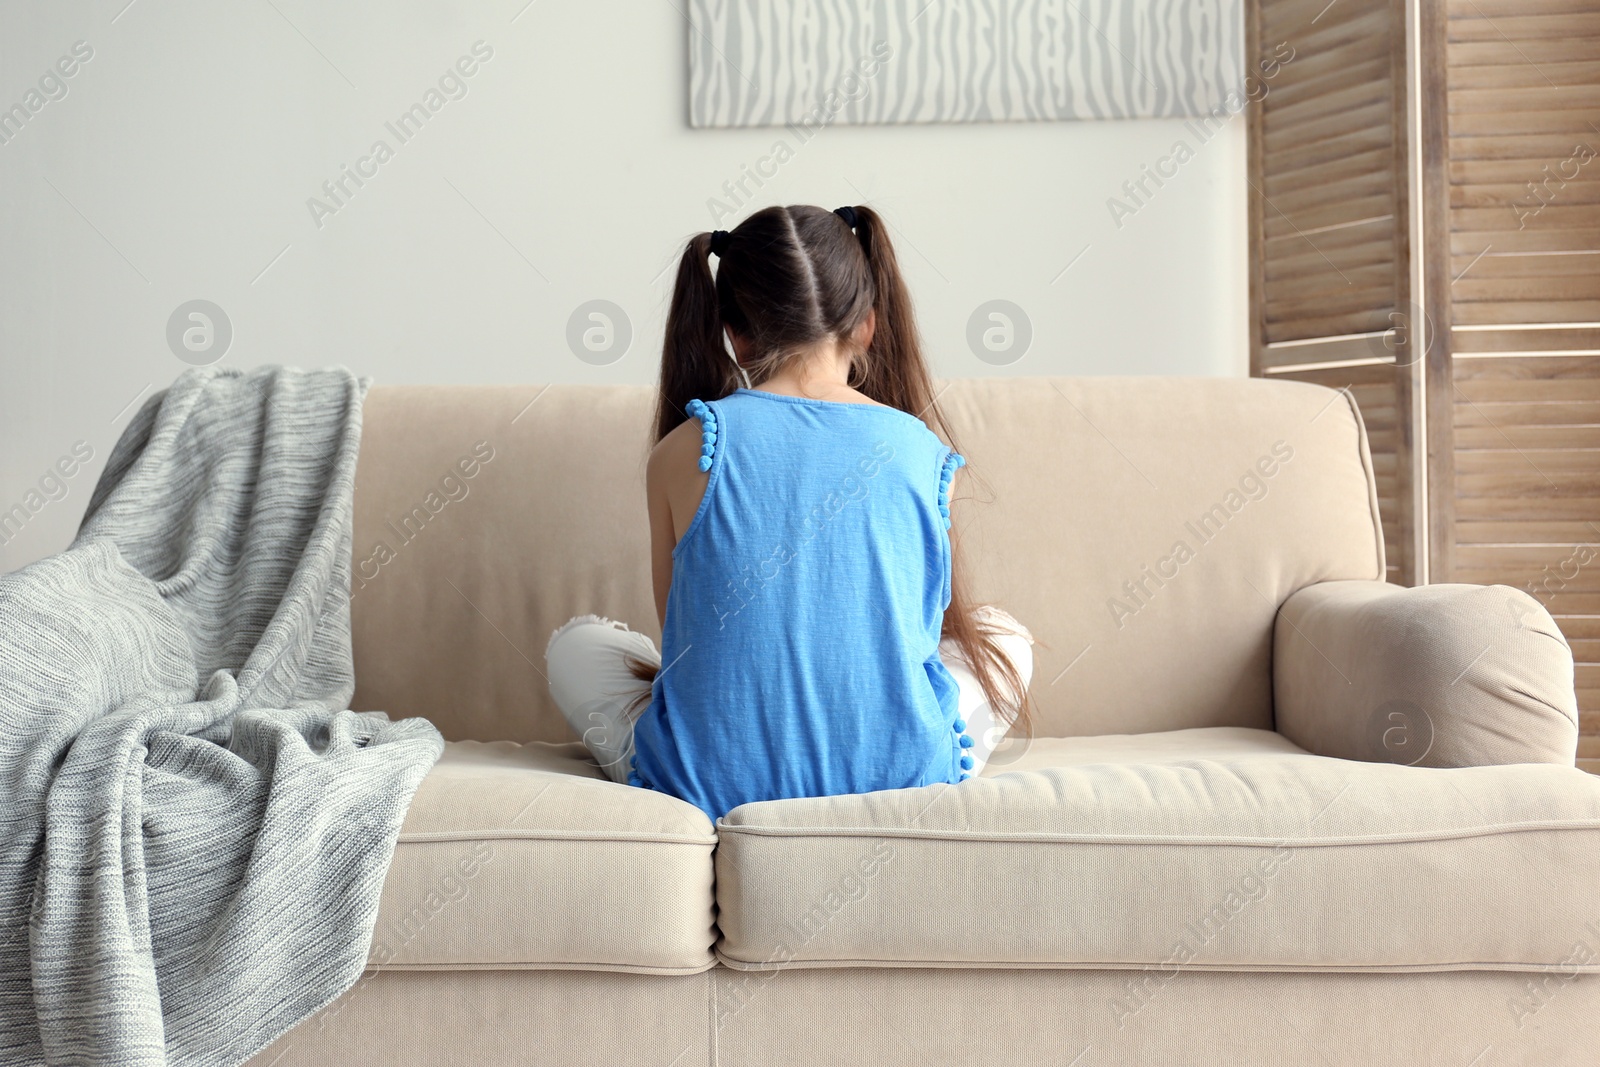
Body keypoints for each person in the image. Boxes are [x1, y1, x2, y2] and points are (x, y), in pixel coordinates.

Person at [545, 204, 1034, 821]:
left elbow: (682, 643)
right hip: (900, 780)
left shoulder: (683, 450)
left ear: (734, 333)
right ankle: (921, 769)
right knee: (1004, 640)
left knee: (577, 646)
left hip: (709, 788)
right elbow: (918, 637)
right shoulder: (926, 453)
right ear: (867, 324)